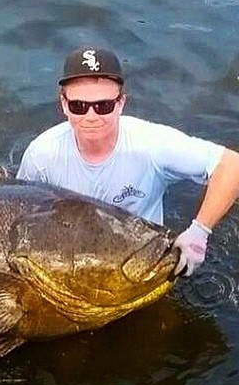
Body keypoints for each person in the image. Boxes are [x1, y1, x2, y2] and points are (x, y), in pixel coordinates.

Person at [16, 46, 239, 277]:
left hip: (140, 265)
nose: (91, 117)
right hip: (70, 269)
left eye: (103, 106)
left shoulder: (151, 144)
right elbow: (18, 214)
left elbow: (231, 165)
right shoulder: (41, 154)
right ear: (64, 104)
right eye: (78, 106)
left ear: (121, 103)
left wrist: (198, 232)